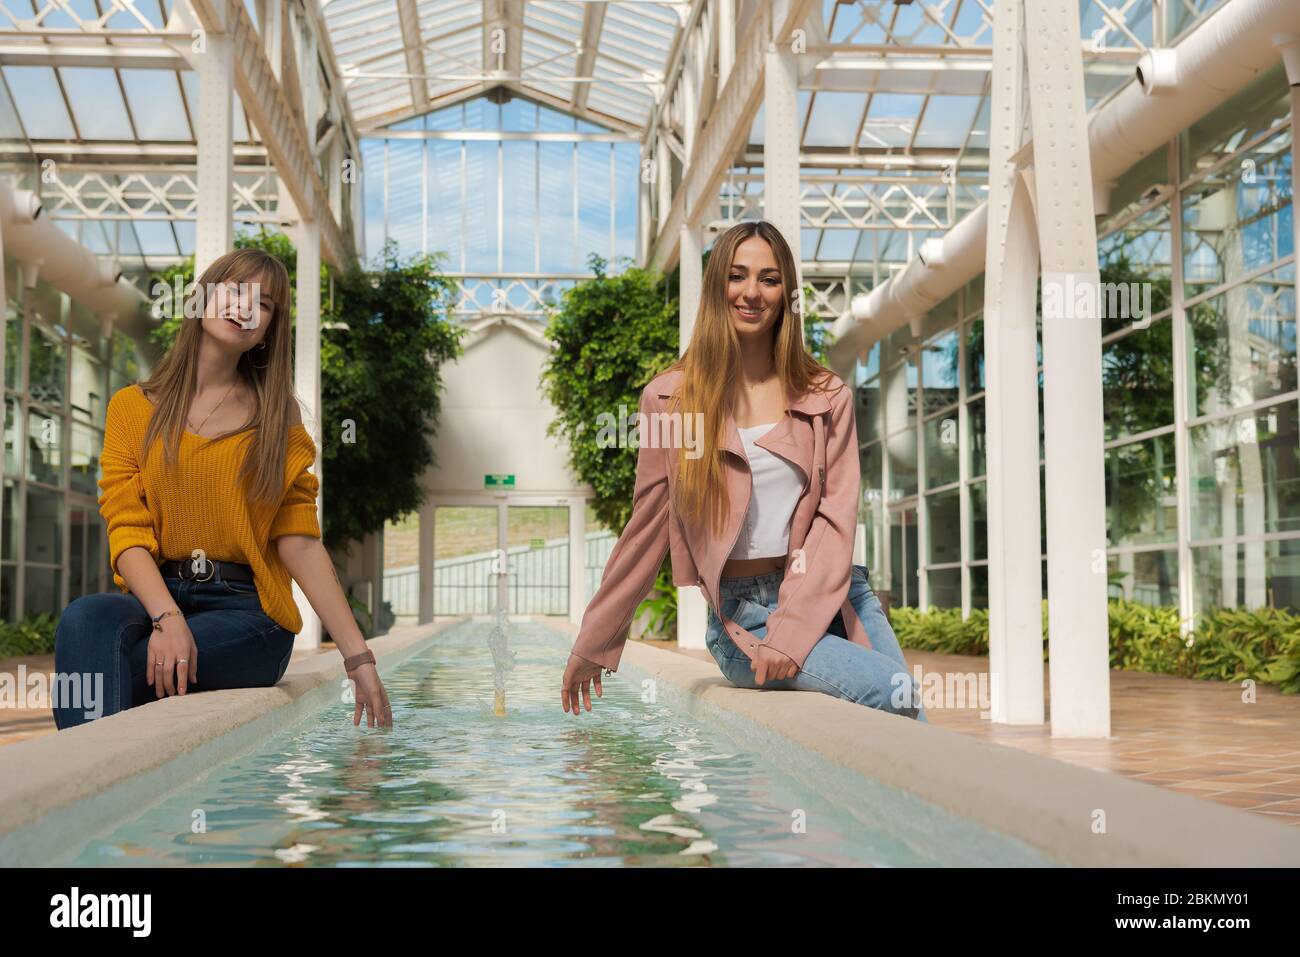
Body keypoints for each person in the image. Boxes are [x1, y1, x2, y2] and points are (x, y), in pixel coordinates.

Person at [560, 221, 926, 721]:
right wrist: (594, 641)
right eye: (737, 276)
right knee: (887, 690)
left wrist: (796, 631)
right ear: (717, 287)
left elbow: (835, 520)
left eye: (769, 279)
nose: (752, 292)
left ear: (786, 294)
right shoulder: (670, 400)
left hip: (837, 596)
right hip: (744, 616)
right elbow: (646, 529)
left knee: (906, 705)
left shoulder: (826, 396)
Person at [53, 248, 392, 730]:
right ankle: (86, 791)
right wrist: (169, 619)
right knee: (85, 619)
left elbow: (299, 542)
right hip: (158, 593)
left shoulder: (278, 419)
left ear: (269, 330)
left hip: (248, 614)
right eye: (236, 290)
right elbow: (126, 530)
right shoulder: (132, 408)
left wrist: (358, 659)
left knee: (108, 673)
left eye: (266, 304)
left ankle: (87, 791)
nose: (246, 307)